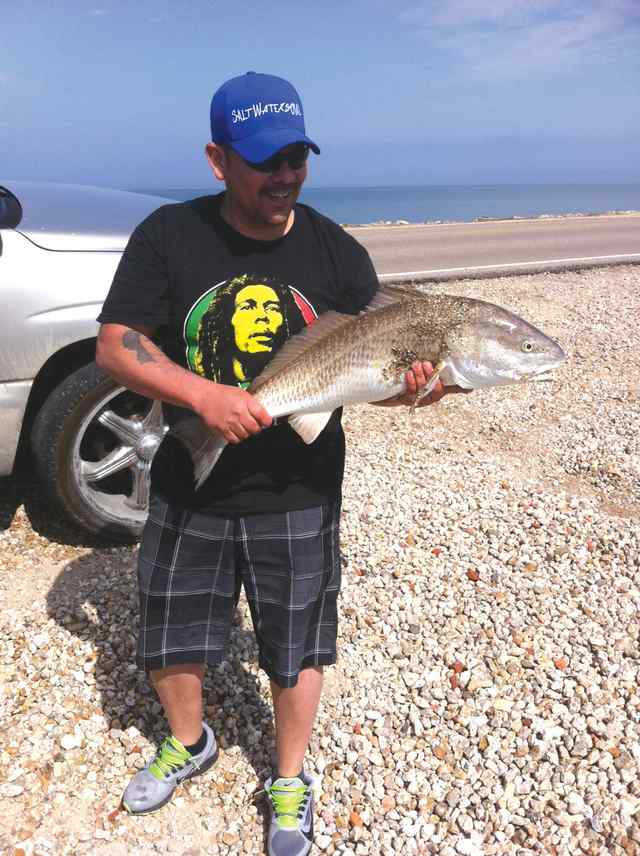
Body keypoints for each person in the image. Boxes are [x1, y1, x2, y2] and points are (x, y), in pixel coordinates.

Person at [96, 71, 464, 856]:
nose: (285, 175)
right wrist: (204, 397)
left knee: (297, 643)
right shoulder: (168, 235)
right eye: (264, 160)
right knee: (172, 629)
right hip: (189, 486)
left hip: (299, 490)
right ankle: (189, 742)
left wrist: (416, 391)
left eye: (296, 157)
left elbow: (372, 376)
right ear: (217, 160)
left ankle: (289, 777)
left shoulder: (337, 252)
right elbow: (117, 346)